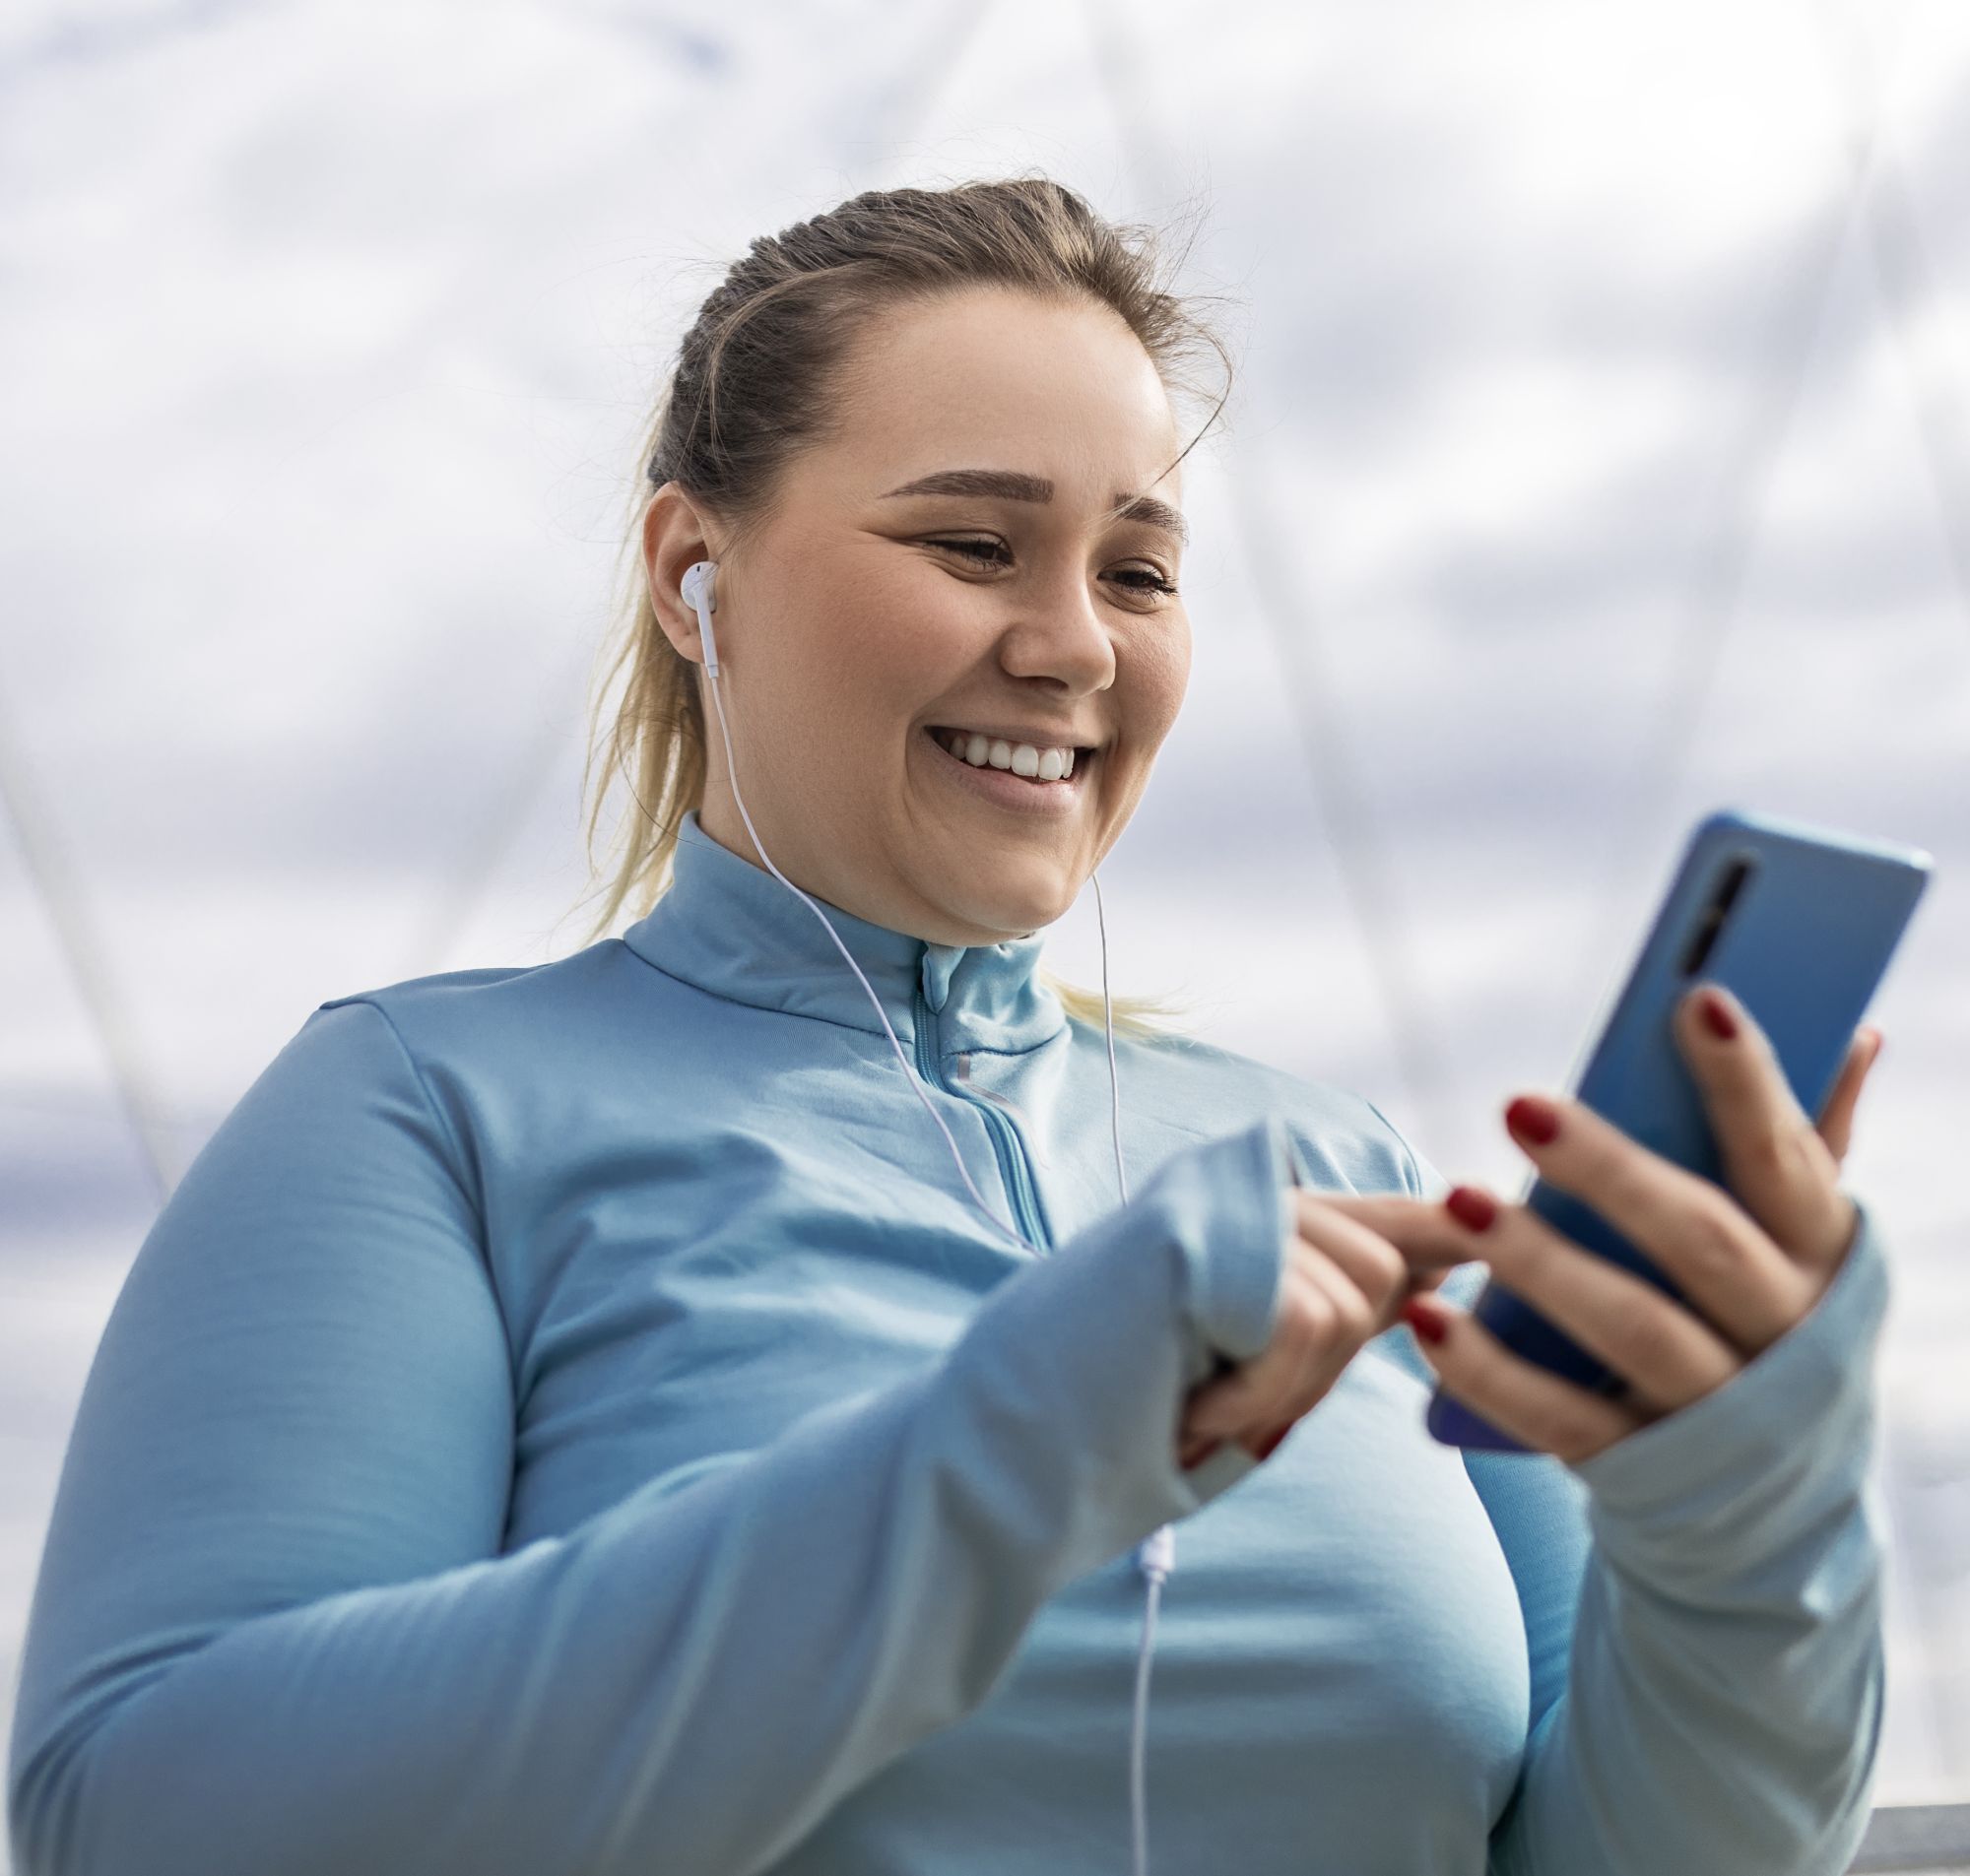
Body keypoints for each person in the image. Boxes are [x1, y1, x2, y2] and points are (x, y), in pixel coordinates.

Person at [6, 175, 1892, 1876]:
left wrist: (1749, 1519)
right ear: (692, 574)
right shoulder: (425, 1115)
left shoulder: (1343, 1171)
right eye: (977, 546)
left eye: (1137, 569)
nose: (1073, 640)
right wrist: (1011, 1444)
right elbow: (139, 1815)